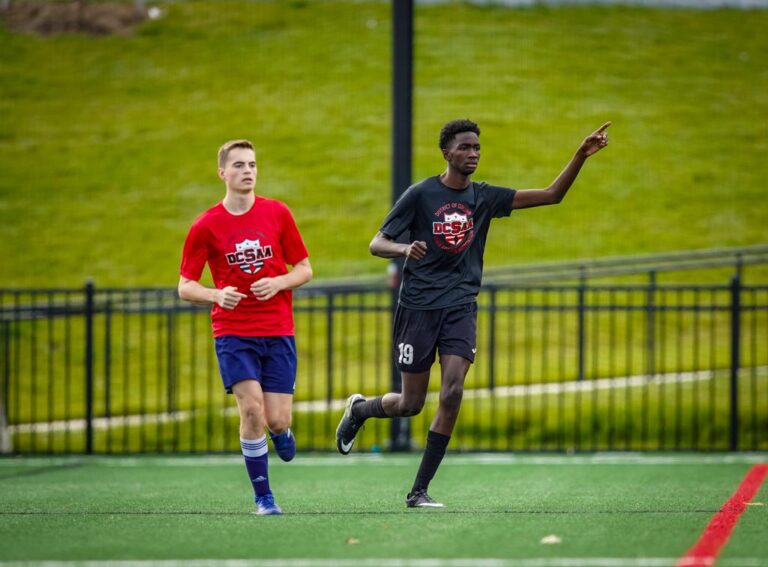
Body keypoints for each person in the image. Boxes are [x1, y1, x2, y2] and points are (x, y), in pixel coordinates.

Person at [336, 119, 610, 508]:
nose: (474, 154)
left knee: (452, 391)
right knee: (410, 404)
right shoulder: (420, 194)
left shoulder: (484, 197)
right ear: (447, 152)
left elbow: (552, 195)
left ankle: (418, 491)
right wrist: (403, 250)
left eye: (477, 148)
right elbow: (377, 243)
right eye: (465, 147)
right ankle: (361, 409)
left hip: (460, 307)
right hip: (417, 309)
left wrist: (580, 155)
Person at [178, 139, 312, 515]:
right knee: (251, 411)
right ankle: (264, 497)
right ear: (222, 172)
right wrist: (216, 295)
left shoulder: (277, 213)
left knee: (276, 418)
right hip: (233, 332)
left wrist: (279, 282)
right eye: (238, 165)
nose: (247, 171)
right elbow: (185, 285)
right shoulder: (206, 226)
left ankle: (281, 432)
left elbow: (304, 268)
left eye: (252, 164)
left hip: (278, 330)